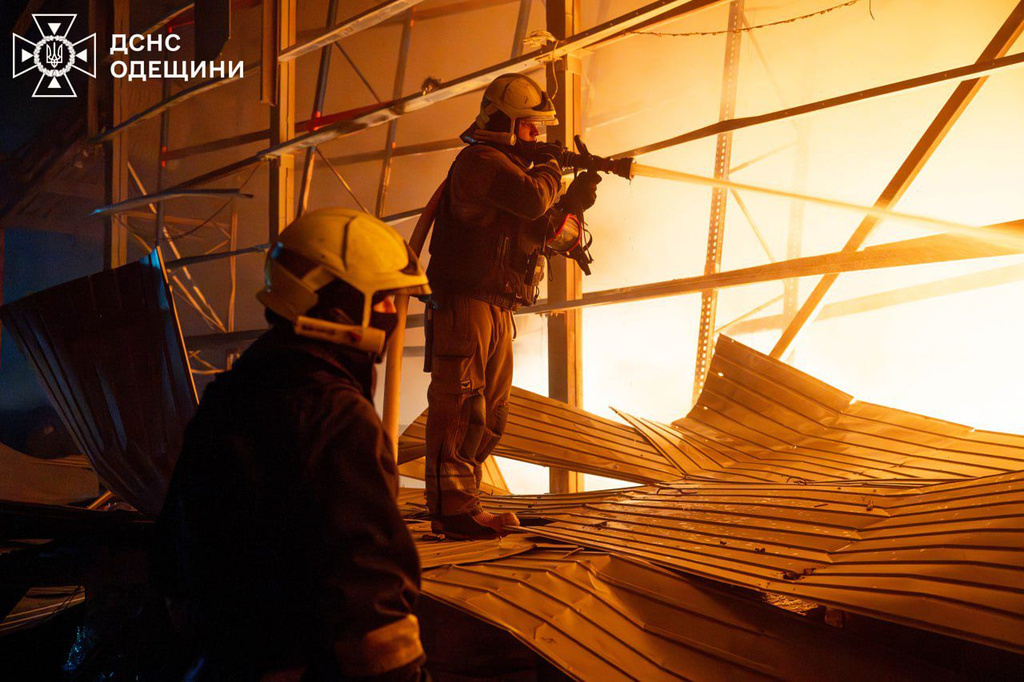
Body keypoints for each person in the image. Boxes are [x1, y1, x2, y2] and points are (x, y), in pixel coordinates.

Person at [157, 209, 431, 680]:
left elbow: (175, 558)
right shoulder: (335, 414)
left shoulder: (232, 393)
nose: (394, 314)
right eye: (383, 298)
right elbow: (372, 609)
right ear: (333, 301)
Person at [424, 73, 602, 539]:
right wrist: (550, 169)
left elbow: (540, 231)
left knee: (491, 414)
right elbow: (529, 199)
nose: (539, 139)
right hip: (465, 302)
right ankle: (452, 508)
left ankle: (467, 499)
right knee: (460, 402)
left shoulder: (512, 175)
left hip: (497, 305)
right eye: (531, 129)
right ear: (503, 122)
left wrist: (573, 204)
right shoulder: (480, 161)